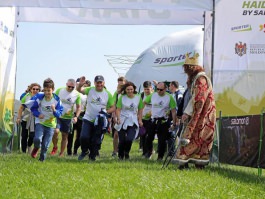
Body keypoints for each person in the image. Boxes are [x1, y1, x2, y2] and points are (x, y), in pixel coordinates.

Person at [174, 52, 216, 169]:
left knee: (196, 137)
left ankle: (190, 163)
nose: (186, 70)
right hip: (201, 113)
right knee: (196, 137)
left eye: (188, 68)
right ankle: (189, 163)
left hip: (203, 114)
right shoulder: (196, 79)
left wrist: (188, 112)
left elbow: (199, 99)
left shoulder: (201, 79)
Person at [23, 78, 63, 161]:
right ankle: (36, 147)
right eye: (45, 90)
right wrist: (38, 114)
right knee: (37, 139)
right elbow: (33, 109)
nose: (47, 93)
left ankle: (41, 160)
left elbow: (60, 114)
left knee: (45, 145)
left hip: (51, 125)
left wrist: (54, 110)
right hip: (40, 122)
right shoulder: (39, 97)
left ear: (53, 90)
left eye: (49, 90)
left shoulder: (57, 100)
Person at [76, 75, 115, 161]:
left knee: (95, 140)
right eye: (97, 82)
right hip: (88, 118)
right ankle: (84, 151)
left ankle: (92, 157)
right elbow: (79, 90)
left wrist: (105, 112)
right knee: (83, 137)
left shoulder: (107, 94)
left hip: (100, 121)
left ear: (103, 83)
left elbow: (113, 107)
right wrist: (80, 84)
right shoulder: (90, 89)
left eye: (101, 82)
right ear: (94, 83)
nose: (99, 84)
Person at [144, 82, 177, 161]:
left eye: (161, 90)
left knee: (162, 140)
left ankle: (160, 157)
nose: (159, 91)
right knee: (149, 137)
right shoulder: (153, 95)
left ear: (165, 89)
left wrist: (174, 123)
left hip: (163, 121)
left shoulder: (169, 97)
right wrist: (141, 113)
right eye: (157, 89)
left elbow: (173, 111)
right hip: (153, 119)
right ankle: (150, 152)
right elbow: (143, 103)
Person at [50, 79, 81, 157]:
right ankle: (55, 146)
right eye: (69, 86)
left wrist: (76, 117)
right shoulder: (60, 90)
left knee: (65, 135)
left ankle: (61, 153)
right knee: (56, 132)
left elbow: (78, 107)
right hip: (58, 115)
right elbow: (53, 101)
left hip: (68, 118)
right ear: (66, 84)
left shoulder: (77, 94)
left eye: (72, 87)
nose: (70, 88)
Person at [114, 81, 144, 160]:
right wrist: (118, 119)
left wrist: (140, 120)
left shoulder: (138, 97)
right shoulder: (122, 97)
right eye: (128, 89)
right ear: (125, 90)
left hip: (133, 120)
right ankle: (120, 155)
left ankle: (126, 152)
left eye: (131, 89)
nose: (130, 91)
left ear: (134, 89)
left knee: (130, 139)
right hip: (123, 120)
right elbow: (118, 109)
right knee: (122, 140)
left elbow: (140, 109)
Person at [67, 79, 91, 156]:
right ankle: (69, 151)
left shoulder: (87, 95)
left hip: (82, 115)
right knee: (70, 134)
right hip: (71, 114)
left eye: (85, 86)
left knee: (80, 135)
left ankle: (75, 150)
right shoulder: (72, 93)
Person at [16, 83, 41, 153]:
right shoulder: (26, 96)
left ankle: (29, 145)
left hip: (35, 119)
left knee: (32, 136)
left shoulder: (41, 97)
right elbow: (21, 108)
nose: (35, 90)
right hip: (26, 118)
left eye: (37, 89)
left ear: (39, 90)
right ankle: (24, 151)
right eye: (34, 89)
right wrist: (18, 118)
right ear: (30, 90)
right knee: (24, 136)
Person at [111, 76, 126, 157]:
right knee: (116, 134)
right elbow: (114, 105)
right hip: (118, 115)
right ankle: (115, 151)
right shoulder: (116, 93)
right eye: (119, 82)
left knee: (124, 134)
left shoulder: (128, 92)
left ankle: (123, 150)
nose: (120, 83)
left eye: (122, 81)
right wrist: (114, 117)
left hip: (127, 116)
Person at [167, 81, 183, 157]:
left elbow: (180, 107)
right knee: (171, 135)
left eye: (170, 85)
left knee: (173, 135)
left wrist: (178, 118)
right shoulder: (172, 94)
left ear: (173, 86)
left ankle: (173, 153)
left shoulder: (179, 95)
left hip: (176, 118)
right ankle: (171, 153)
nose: (169, 87)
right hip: (171, 117)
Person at [138, 81, 153, 156]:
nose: (147, 91)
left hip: (151, 119)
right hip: (142, 119)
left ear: (151, 88)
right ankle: (144, 152)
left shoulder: (154, 96)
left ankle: (149, 152)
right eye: (145, 89)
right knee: (143, 136)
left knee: (149, 136)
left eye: (148, 89)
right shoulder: (141, 95)